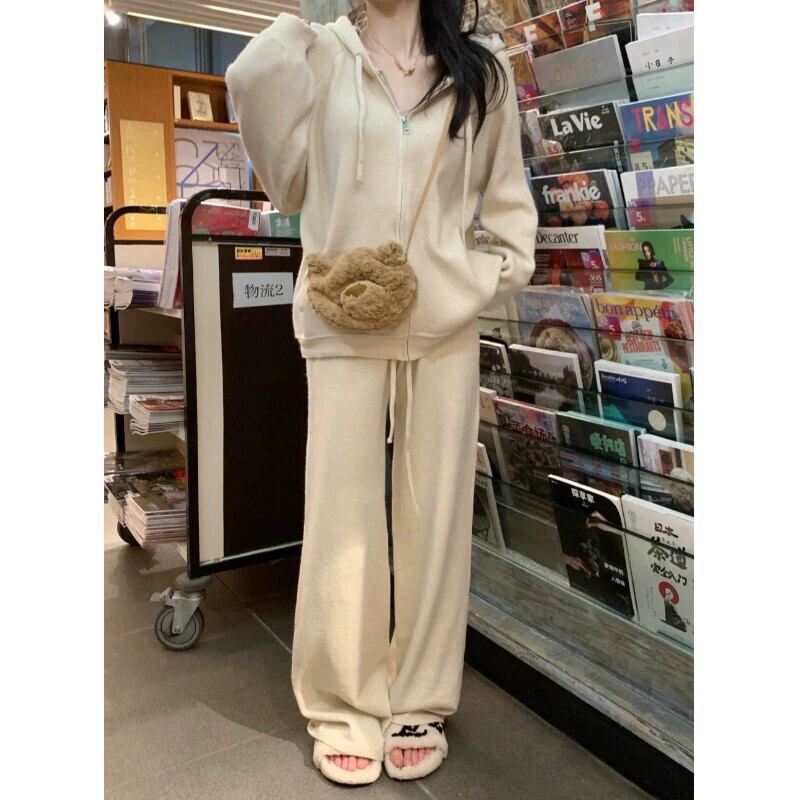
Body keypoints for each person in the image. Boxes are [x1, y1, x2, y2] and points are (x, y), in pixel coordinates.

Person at [226, 0, 537, 785]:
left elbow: (507, 206)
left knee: (436, 517)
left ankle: (420, 695)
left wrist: (475, 280)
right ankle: (342, 702)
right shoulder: (317, 57)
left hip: (445, 325)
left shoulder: (482, 74)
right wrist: (289, 37)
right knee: (342, 518)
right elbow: (288, 185)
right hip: (343, 312)